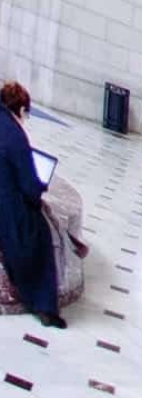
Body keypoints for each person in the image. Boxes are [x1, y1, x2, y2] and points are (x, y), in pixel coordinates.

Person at [0, 83, 63, 328]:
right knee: (40, 231)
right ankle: (45, 305)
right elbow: (28, 185)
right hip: (5, 205)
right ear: (22, 109)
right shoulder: (15, 135)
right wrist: (39, 192)